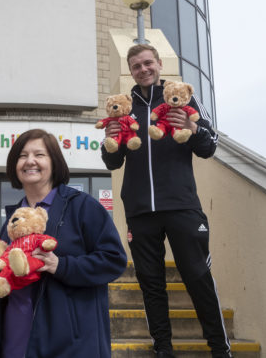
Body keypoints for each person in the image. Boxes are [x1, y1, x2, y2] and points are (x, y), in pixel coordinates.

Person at [101, 44, 232, 358]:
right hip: (140, 210)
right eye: (136, 66)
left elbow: (209, 147)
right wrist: (111, 137)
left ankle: (219, 349)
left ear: (159, 64)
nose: (143, 69)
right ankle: (163, 349)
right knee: (151, 283)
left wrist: (192, 128)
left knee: (198, 277)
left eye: (148, 63)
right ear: (130, 71)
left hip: (183, 206)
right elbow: (111, 162)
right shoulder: (124, 105)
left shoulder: (180, 96)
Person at [0, 129, 127, 358]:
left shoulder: (82, 206)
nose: (30, 161)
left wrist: (60, 266)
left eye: (39, 155)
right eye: (22, 155)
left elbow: (114, 260)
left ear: (54, 162)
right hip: (14, 340)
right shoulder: (13, 221)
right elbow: (2, 280)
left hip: (71, 342)